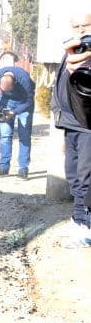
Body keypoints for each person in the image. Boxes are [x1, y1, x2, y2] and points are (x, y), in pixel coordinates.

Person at [51, 13, 91, 247]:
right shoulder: (73, 49)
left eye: (84, 25)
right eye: (75, 25)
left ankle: (87, 228)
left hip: (87, 124)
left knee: (87, 177)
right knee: (74, 175)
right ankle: (79, 221)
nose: (79, 30)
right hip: (71, 122)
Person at [0, 62, 34, 178]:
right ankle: (4, 167)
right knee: (5, 136)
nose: (9, 92)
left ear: (15, 83)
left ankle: (23, 169)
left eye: (10, 90)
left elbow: (29, 101)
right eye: (5, 90)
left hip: (24, 104)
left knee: (24, 136)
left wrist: (14, 112)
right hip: (6, 103)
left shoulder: (25, 79)